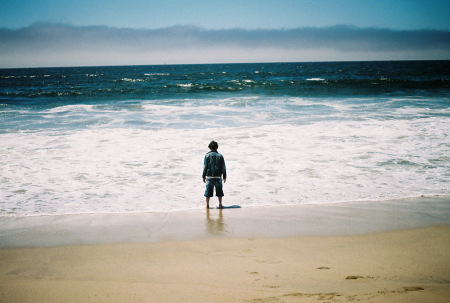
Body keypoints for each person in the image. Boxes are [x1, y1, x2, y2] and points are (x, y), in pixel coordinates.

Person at [202, 141, 226, 209]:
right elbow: (223, 167)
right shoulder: (220, 156)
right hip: (218, 177)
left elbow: (205, 167)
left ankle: (207, 205)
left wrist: (203, 176)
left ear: (209, 147)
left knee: (208, 192)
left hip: (209, 176)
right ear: (217, 147)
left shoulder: (207, 155)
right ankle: (220, 204)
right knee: (219, 192)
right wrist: (224, 176)